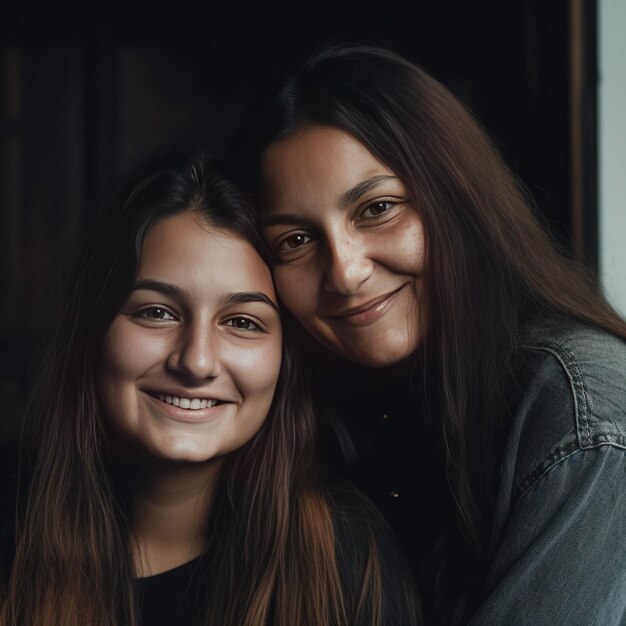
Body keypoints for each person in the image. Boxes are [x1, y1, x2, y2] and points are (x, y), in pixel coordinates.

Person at [242, 43, 626, 624]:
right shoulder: (346, 416)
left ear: (456, 200)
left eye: (377, 209)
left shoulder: (579, 403)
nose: (345, 273)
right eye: (295, 241)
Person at [0, 150, 420, 626]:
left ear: (285, 361)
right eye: (157, 312)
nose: (196, 361)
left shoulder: (345, 555)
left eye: (242, 322)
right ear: (93, 332)